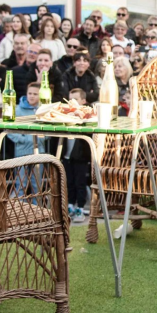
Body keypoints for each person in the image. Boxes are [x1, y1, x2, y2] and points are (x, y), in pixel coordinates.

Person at [63, 88, 91, 223]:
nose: (71, 103)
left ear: (83, 101)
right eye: (70, 100)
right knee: (69, 182)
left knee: (80, 182)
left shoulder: (87, 116)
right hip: (66, 155)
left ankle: (80, 207)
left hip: (80, 156)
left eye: (75, 100)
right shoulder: (63, 115)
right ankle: (70, 205)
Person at [9, 83, 42, 157]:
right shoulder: (17, 110)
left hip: (40, 151)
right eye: (29, 93)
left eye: (35, 94)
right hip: (22, 151)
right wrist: (23, 139)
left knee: (39, 168)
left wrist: (42, 138)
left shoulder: (43, 109)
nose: (32, 96)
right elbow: (9, 129)